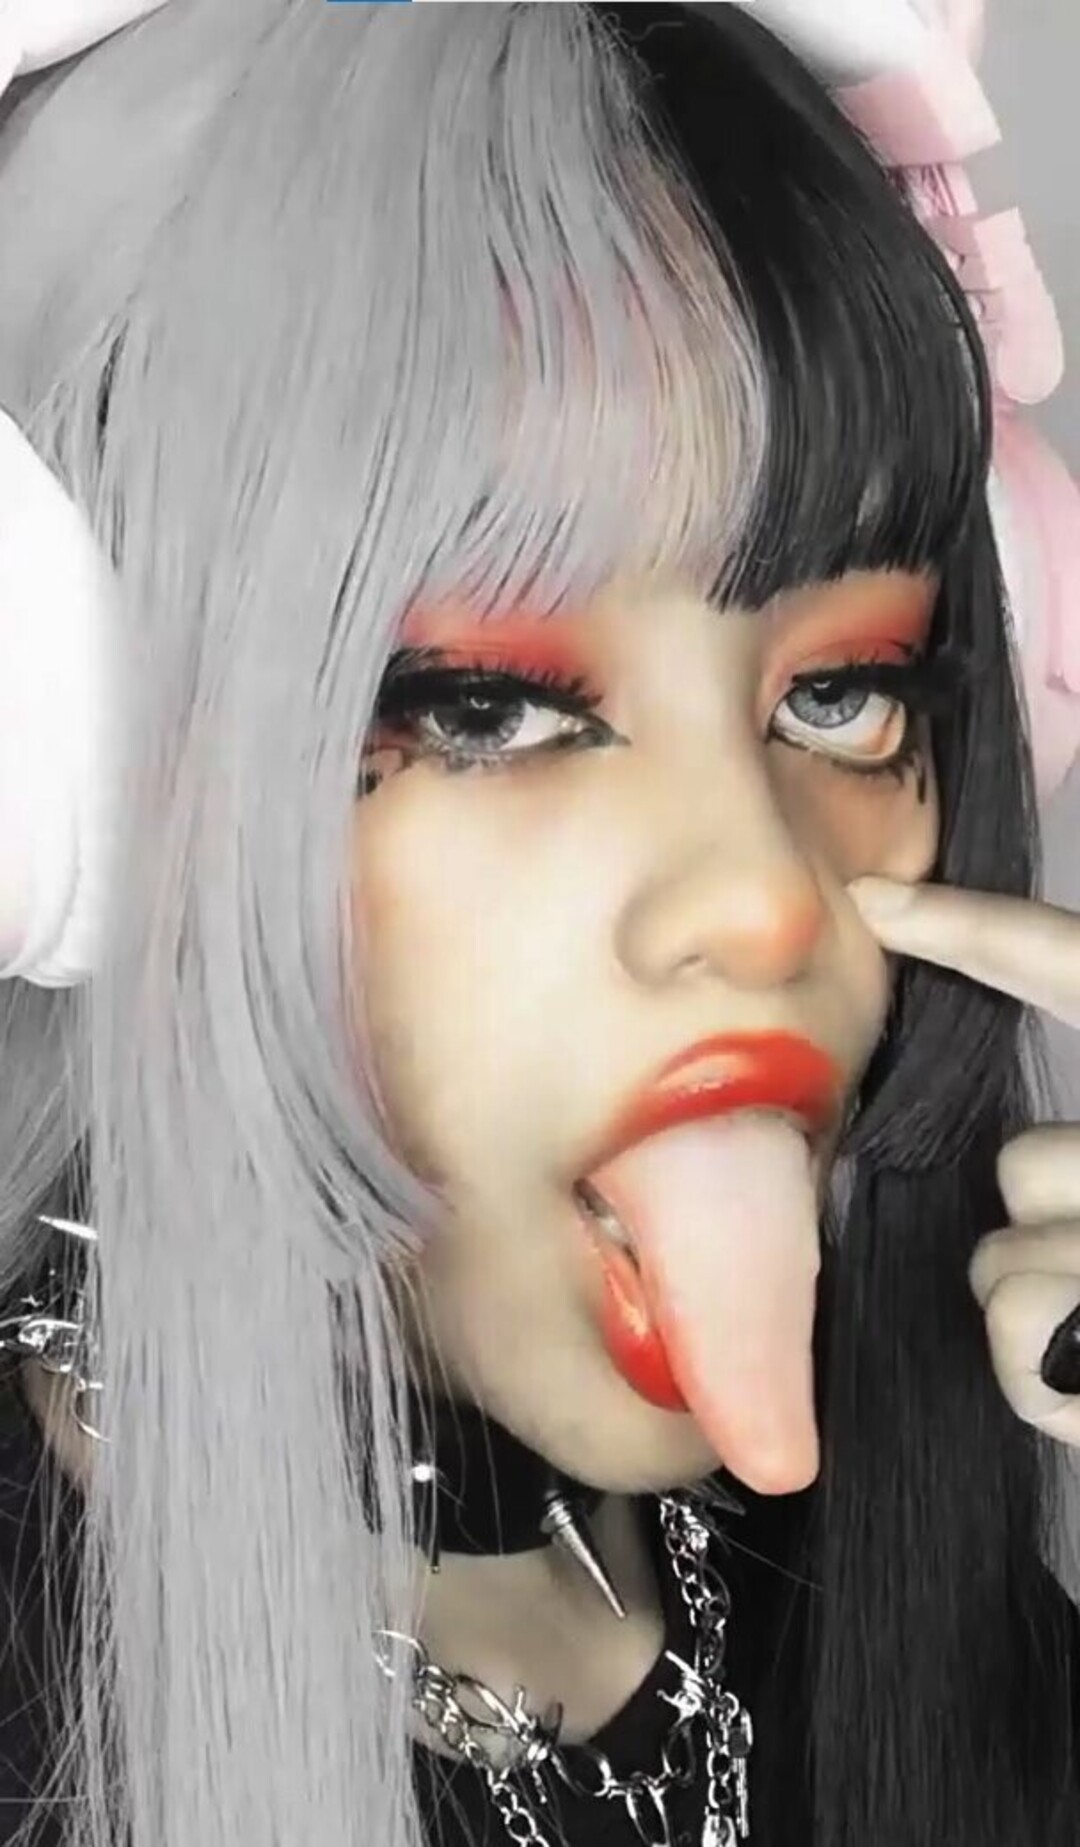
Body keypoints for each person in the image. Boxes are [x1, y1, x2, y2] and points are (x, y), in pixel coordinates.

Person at [0, 3, 1078, 1845]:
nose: (765, 896)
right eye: (489, 710)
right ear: (69, 772)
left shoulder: (955, 1599)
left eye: (843, 695)